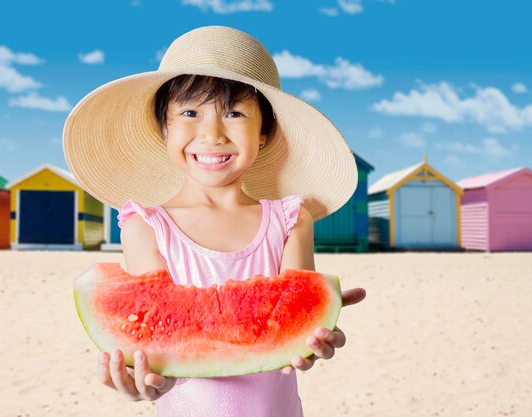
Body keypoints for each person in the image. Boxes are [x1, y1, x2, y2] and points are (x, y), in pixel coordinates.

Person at [63, 25, 366, 417]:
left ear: (264, 133)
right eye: (189, 112)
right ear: (164, 127)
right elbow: (158, 346)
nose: (212, 133)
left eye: (235, 112)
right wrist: (145, 381)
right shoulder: (145, 226)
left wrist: (313, 338)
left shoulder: (292, 220)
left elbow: (297, 331)